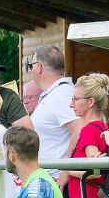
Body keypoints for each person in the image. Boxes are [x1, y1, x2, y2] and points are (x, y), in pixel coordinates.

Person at [27, 45, 82, 187]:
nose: (31, 70)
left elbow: (80, 128)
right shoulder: (56, 93)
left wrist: (65, 171)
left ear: (39, 67)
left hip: (57, 180)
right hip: (50, 177)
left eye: (31, 66)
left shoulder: (61, 93)